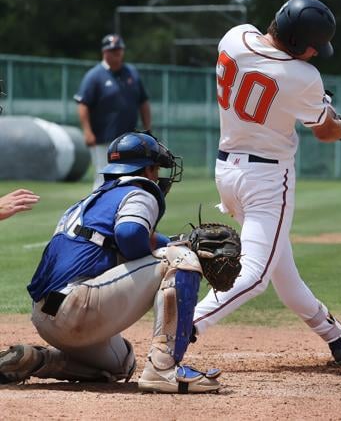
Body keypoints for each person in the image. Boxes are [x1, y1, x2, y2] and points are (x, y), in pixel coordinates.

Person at [192, 0, 341, 366]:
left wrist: (320, 106)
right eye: (313, 47)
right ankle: (184, 324)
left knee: (281, 268)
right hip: (267, 179)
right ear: (296, 43)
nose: (316, 54)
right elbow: (325, 131)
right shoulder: (303, 77)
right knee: (256, 275)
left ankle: (335, 336)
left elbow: (273, 81)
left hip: (227, 171)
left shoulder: (235, 36)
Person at [0, 132, 222, 393]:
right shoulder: (140, 191)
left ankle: (39, 360)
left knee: (121, 363)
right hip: (76, 306)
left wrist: (169, 241)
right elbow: (129, 234)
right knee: (182, 258)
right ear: (147, 169)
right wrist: (177, 248)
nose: (158, 175)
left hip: (46, 315)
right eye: (157, 168)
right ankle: (164, 369)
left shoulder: (93, 202)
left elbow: (120, 240)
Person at [75, 34, 152, 190]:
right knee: (103, 179)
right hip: (104, 139)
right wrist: (87, 131)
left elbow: (143, 102)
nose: (117, 53)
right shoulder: (95, 75)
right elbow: (83, 105)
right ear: (105, 52)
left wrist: (147, 128)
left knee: (128, 178)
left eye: (119, 49)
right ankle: (97, 211)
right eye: (113, 50)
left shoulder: (131, 73)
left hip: (130, 140)